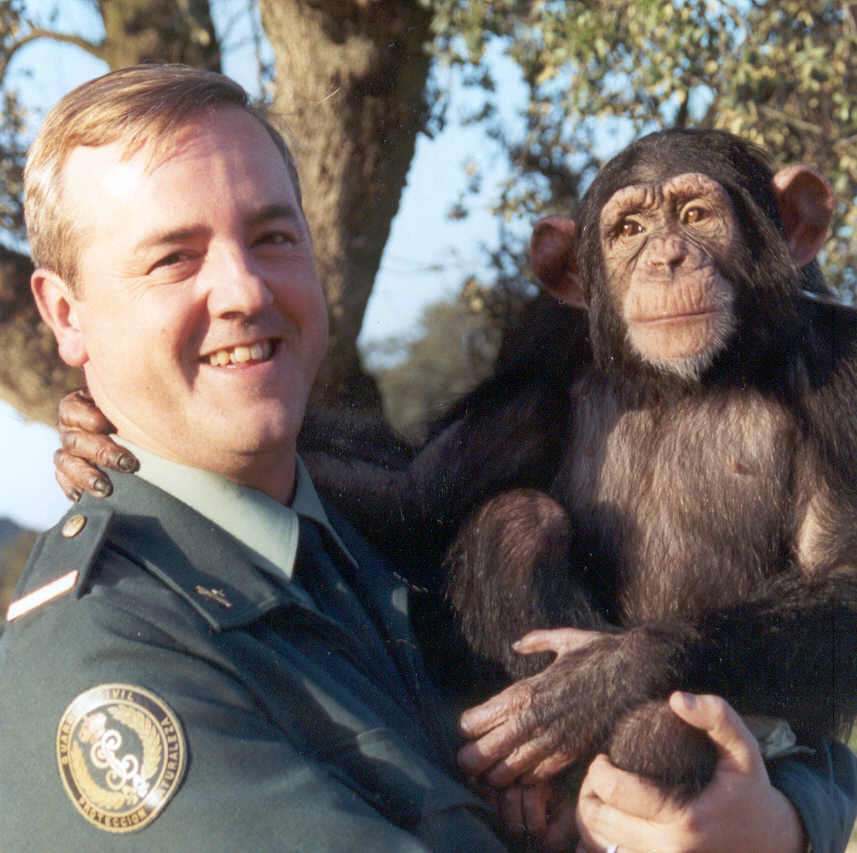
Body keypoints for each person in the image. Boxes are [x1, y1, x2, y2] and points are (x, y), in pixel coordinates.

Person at [2, 63, 854, 852]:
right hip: (601, 723)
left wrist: (783, 818)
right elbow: (426, 491)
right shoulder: (111, 650)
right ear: (573, 275)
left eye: (271, 237)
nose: (244, 292)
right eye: (171, 258)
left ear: (791, 229)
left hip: (686, 722)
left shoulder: (344, 563)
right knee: (515, 524)